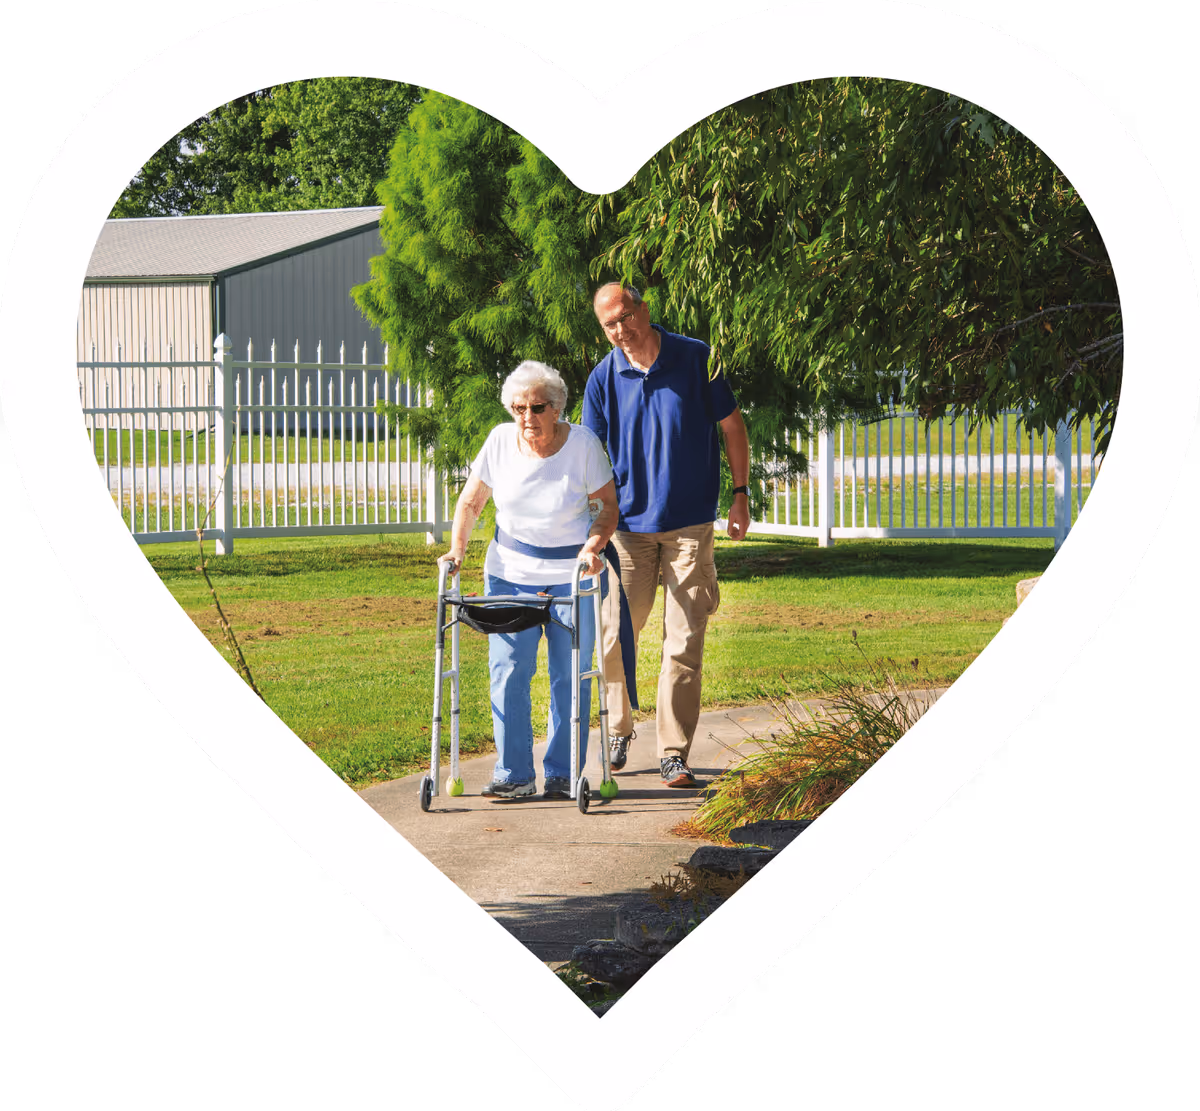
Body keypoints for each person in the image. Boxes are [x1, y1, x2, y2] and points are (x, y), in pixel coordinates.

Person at [582, 283, 750, 788]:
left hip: (689, 528)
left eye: (626, 317)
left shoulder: (696, 358)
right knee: (614, 636)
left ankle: (673, 751)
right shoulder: (603, 378)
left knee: (683, 641)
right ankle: (618, 727)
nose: (621, 330)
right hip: (627, 531)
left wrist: (740, 494)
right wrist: (592, 529)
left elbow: (733, 427)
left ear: (645, 310)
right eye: (610, 324)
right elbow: (591, 459)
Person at [439, 360, 619, 800]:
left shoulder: (583, 446)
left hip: (570, 575)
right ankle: (513, 774)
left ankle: (564, 772)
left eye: (537, 407)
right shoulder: (500, 442)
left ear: (557, 408)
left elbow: (607, 507)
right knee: (508, 671)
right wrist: (457, 551)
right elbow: (471, 502)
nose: (526, 418)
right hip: (509, 573)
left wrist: (592, 548)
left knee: (569, 676)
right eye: (518, 407)